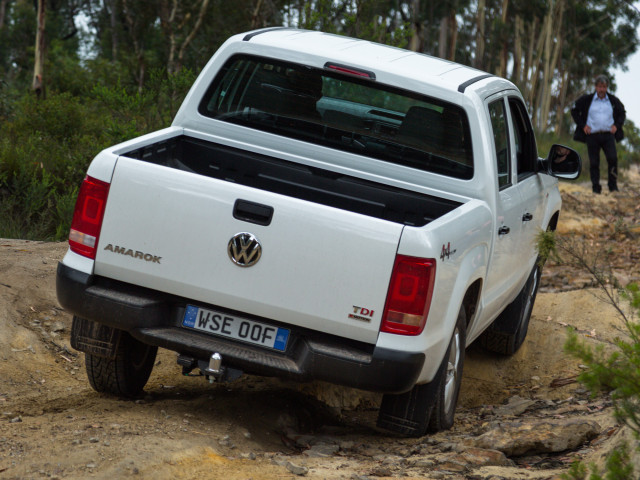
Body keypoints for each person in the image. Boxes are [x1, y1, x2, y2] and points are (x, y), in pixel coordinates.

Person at [571, 75, 626, 193]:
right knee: (594, 162)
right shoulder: (587, 100)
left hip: (608, 136)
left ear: (607, 88)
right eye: (600, 87)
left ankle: (613, 187)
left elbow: (622, 112)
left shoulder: (613, 101)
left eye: (604, 87)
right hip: (592, 136)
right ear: (595, 87)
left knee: (612, 159)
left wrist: (617, 125)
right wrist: (583, 125)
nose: (602, 89)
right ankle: (596, 188)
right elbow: (574, 110)